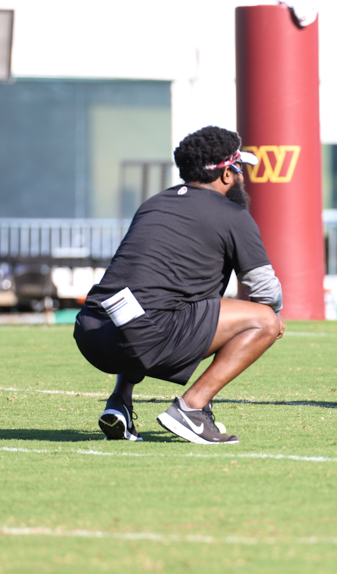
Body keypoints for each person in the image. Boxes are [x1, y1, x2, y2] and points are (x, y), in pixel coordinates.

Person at [74, 126, 284, 444]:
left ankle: (120, 403)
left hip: (91, 330)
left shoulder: (154, 203)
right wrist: (265, 316)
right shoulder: (232, 215)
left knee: (144, 307)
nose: (242, 178)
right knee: (266, 321)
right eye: (239, 169)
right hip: (144, 334)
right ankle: (191, 409)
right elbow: (267, 293)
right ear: (227, 174)